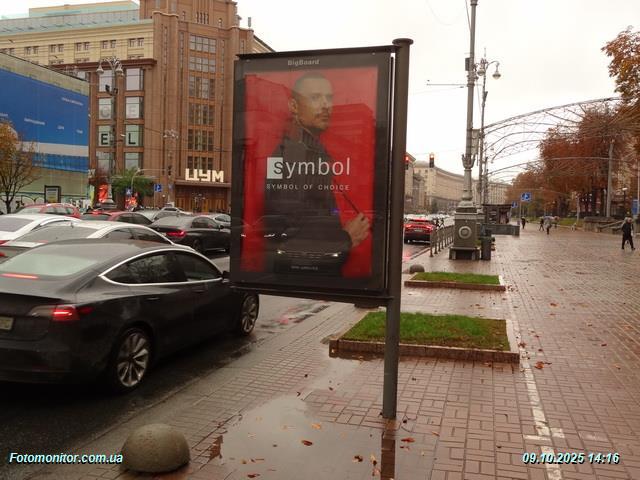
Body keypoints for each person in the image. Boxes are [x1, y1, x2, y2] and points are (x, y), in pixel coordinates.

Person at [262, 72, 370, 275]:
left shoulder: (311, 150)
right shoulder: (295, 153)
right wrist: (346, 239)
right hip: (302, 275)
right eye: (315, 97)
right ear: (294, 106)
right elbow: (291, 231)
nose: (325, 105)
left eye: (329, 98)